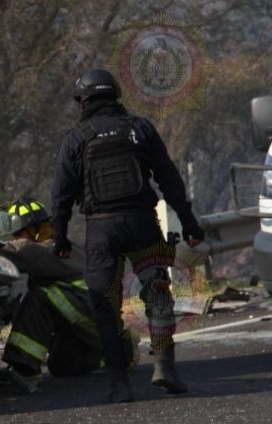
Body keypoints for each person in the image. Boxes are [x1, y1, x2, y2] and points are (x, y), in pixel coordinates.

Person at [51, 68, 205, 403]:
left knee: (105, 305)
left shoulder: (76, 139)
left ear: (84, 102)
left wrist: (59, 238)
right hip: (141, 224)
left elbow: (61, 195)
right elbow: (170, 180)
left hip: (101, 230)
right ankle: (165, 366)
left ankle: (119, 383)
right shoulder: (139, 129)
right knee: (157, 292)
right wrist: (191, 225)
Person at [0, 198, 136, 393]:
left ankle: (23, 371)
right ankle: (116, 352)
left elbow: (20, 250)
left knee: (39, 297)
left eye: (18, 233)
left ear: (34, 229)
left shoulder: (49, 247)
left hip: (92, 314)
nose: (14, 238)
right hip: (93, 319)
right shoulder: (56, 245)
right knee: (60, 365)